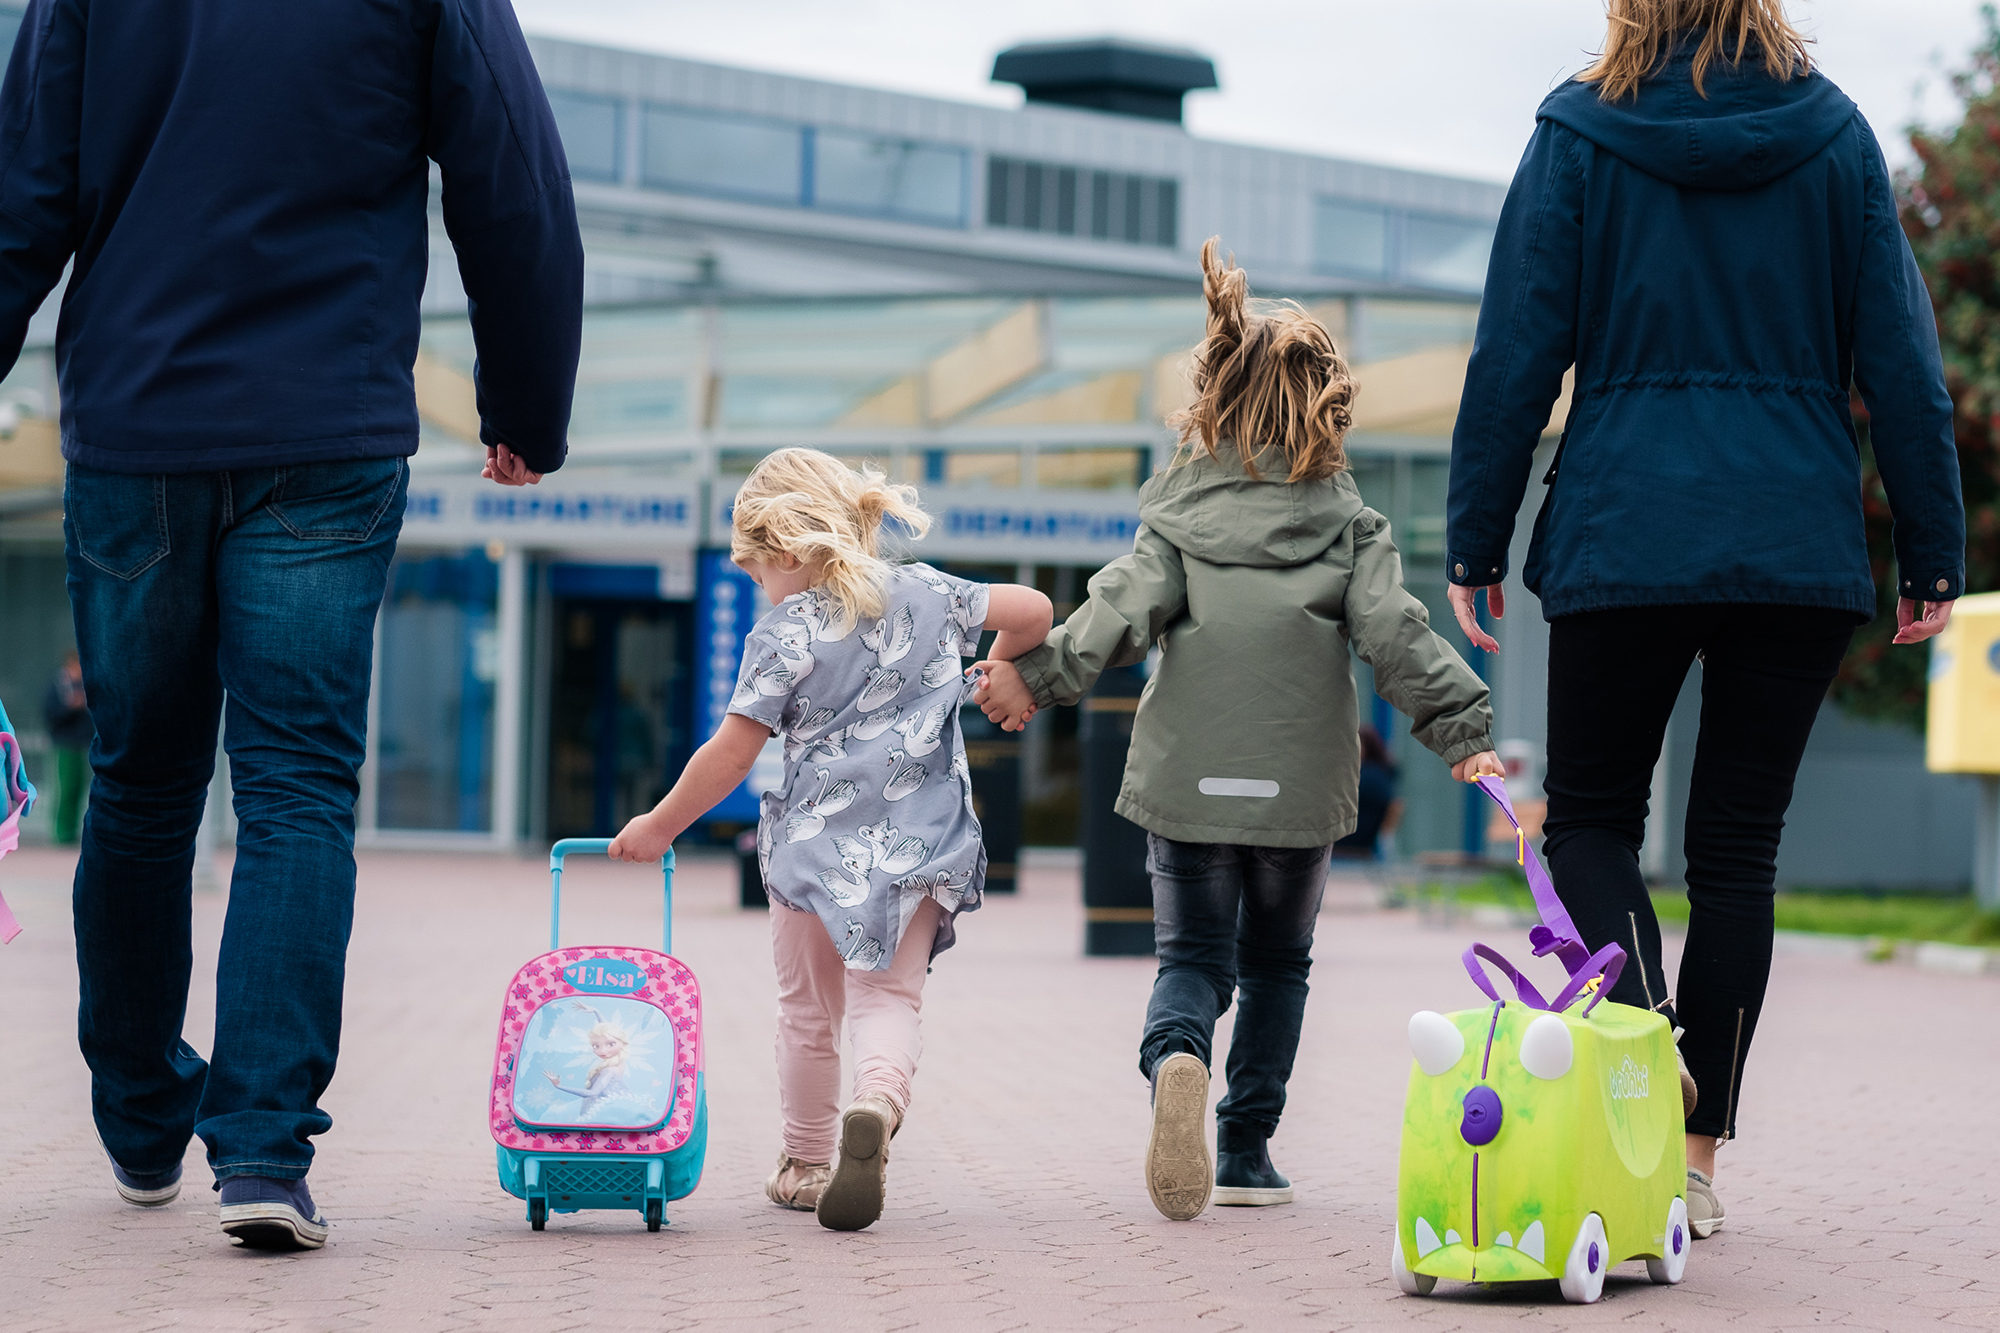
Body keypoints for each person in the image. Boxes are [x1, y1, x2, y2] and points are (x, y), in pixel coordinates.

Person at [0, 1, 583, 1248]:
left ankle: (145, 1115)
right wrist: (525, 397)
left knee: (141, 784)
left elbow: (21, 186)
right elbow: (511, 176)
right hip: (326, 426)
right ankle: (262, 1151)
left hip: (135, 424)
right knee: (298, 792)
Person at [1443, 0, 1964, 1241]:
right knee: (1737, 852)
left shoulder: (1577, 132)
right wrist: (1931, 548)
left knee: (1593, 822)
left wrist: (1475, 535)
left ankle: (1646, 1055)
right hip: (1791, 538)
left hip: (1625, 526)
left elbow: (1514, 348)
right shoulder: (1833, 136)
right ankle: (1692, 1163)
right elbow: (1900, 356)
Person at [973, 239, 1502, 1222]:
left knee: (1191, 964)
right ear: (1325, 408)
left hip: (1187, 779)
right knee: (1275, 966)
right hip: (1297, 791)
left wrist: (1030, 681)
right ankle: (1246, 1148)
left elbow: (1114, 614)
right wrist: (1462, 730)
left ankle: (1177, 1055)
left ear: (1212, 398)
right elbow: (1394, 633)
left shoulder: (1176, 523)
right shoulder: (1350, 530)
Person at [607, 447, 1054, 1233]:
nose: (759, 589)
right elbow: (1037, 611)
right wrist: (998, 664)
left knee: (806, 1011)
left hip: (813, 851)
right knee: (887, 998)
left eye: (756, 574)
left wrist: (659, 823)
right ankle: (877, 1101)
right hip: (919, 844)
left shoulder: (784, 634)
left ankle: (807, 1161)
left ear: (783, 551)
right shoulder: (928, 590)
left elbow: (732, 754)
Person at [41, 651, 91, 845]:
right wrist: (70, 707)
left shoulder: (85, 685)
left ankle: (72, 830)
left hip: (81, 744)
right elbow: (50, 715)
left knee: (78, 789)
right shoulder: (58, 686)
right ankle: (61, 832)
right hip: (64, 744)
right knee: (65, 788)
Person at [1331, 725, 1401, 860]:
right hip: (1367, 845)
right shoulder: (1384, 775)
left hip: (1345, 842)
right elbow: (1396, 807)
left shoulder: (1360, 775)